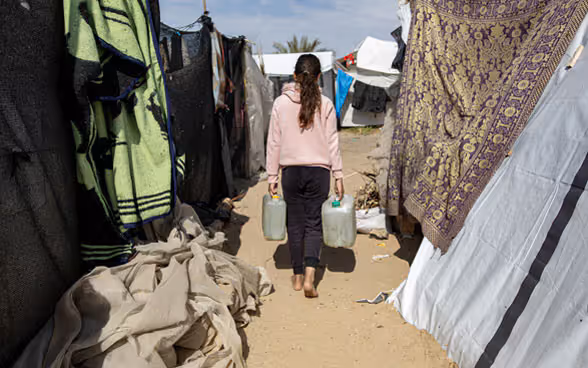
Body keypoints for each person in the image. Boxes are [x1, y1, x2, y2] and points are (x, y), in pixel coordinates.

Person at [266, 54, 344, 298]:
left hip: (291, 172)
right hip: (319, 172)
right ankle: (311, 276)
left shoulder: (280, 103)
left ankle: (297, 276)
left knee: (295, 224)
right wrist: (339, 175)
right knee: (313, 225)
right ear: (319, 77)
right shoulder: (327, 104)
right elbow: (333, 142)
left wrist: (272, 176)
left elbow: (273, 143)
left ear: (294, 76)